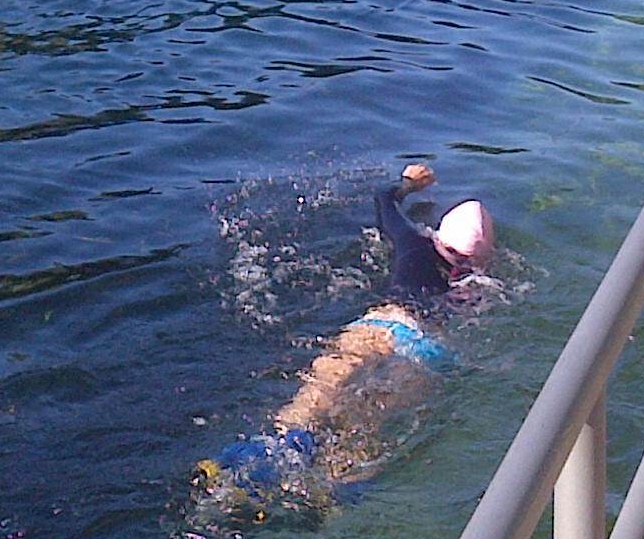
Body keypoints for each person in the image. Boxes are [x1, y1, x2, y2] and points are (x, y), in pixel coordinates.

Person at [193, 164, 496, 520]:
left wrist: (409, 184)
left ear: (438, 236)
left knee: (314, 398)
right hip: (428, 348)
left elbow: (384, 202)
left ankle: (251, 458)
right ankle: (332, 491)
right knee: (369, 421)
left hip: (381, 326)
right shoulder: (482, 285)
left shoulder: (414, 243)